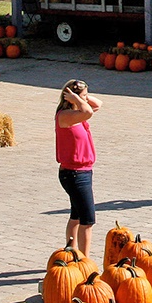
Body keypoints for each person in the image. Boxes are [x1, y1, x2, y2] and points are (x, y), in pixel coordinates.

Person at [55, 79, 102, 258]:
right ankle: (84, 259)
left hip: (83, 171)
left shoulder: (77, 113)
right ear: (71, 99)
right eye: (83, 97)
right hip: (74, 173)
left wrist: (82, 97)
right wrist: (77, 99)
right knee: (87, 219)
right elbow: (89, 111)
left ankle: (72, 252)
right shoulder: (65, 116)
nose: (86, 99)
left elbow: (98, 104)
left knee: (76, 215)